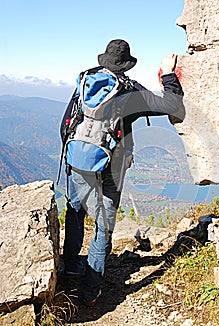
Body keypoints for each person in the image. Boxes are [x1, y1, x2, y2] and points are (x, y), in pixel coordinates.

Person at [60, 39, 185, 306]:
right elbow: (173, 105)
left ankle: (70, 267)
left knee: (75, 210)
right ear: (126, 64)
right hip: (111, 167)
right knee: (103, 227)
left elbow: (67, 122)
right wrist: (168, 74)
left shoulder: (86, 81)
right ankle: (90, 291)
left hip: (78, 158)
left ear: (104, 59)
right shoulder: (129, 91)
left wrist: (74, 155)